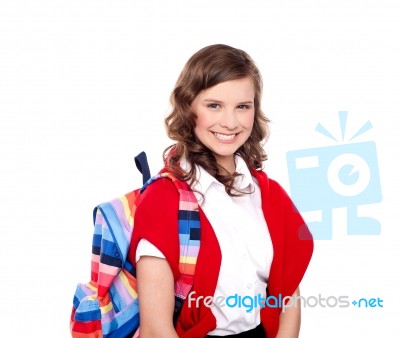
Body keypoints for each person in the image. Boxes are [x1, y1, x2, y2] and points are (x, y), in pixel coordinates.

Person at [128, 44, 313, 338]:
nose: (230, 122)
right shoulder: (163, 198)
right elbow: (155, 329)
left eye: (243, 106)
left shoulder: (269, 194)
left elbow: (288, 290)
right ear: (189, 107)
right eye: (214, 105)